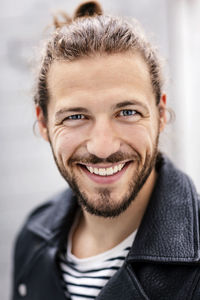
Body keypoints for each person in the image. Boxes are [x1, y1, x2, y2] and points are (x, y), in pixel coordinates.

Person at [12, 1, 200, 299]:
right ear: (44, 122)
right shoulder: (32, 238)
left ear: (161, 113)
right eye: (75, 117)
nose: (103, 146)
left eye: (127, 112)